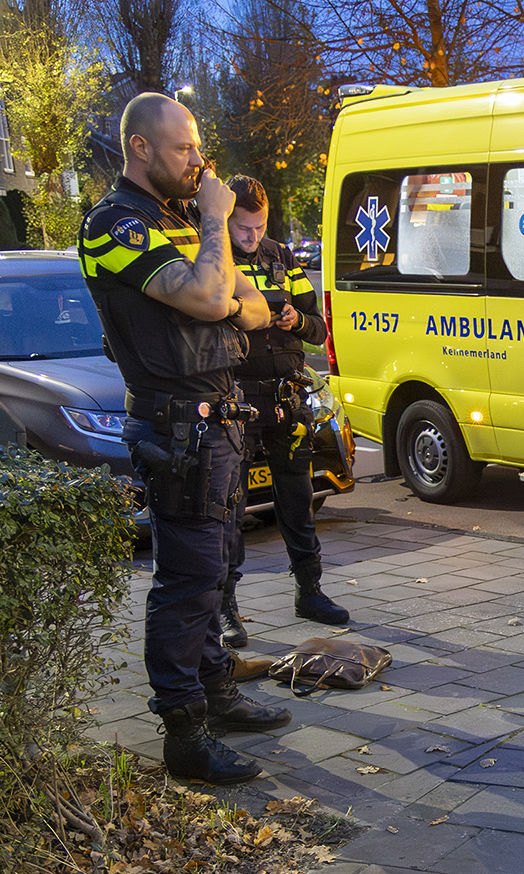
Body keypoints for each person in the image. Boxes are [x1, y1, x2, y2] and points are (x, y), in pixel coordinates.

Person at [79, 91, 287, 784]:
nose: (199, 161)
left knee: (217, 567)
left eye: (198, 146)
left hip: (216, 420)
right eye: (184, 148)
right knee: (187, 579)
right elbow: (213, 298)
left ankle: (216, 693)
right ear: (140, 148)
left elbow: (252, 306)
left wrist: (217, 285)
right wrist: (215, 227)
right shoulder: (115, 224)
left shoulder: (176, 222)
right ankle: (184, 731)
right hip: (176, 425)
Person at [215, 175, 347, 648]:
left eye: (259, 227)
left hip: (286, 398)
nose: (252, 236)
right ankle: (226, 609)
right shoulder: (214, 259)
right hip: (238, 401)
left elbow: (319, 329)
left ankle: (309, 591)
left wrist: (297, 319)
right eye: (243, 228)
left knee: (297, 498)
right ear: (226, 220)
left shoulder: (282, 258)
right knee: (230, 507)